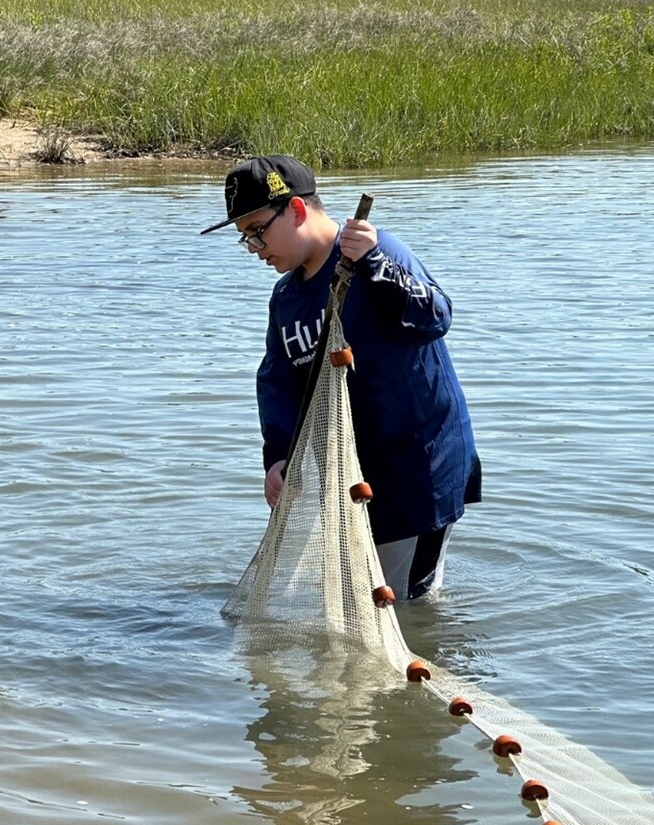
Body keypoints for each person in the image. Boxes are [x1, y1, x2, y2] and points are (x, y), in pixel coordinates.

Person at [202, 155, 480, 600]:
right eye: (244, 240)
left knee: (406, 606)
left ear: (295, 210)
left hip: (418, 468)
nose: (254, 249)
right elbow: (277, 380)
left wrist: (376, 265)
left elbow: (436, 316)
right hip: (353, 476)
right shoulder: (286, 298)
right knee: (355, 600)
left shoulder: (375, 249)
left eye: (257, 232)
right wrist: (277, 456)